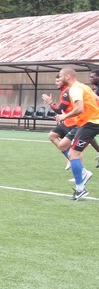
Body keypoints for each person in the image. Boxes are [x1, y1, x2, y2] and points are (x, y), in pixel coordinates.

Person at [54, 67, 99, 200]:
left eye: (60, 76)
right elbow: (96, 100)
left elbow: (79, 109)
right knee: (63, 145)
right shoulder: (84, 87)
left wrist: (64, 116)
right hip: (83, 122)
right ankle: (83, 173)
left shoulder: (74, 89)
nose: (59, 79)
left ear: (67, 76)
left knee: (73, 154)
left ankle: (80, 189)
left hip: (90, 123)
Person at [42, 74, 94, 182]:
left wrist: (50, 102)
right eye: (56, 81)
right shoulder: (66, 91)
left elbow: (59, 109)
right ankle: (76, 164)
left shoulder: (68, 90)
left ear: (66, 79)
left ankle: (81, 172)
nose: (57, 83)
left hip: (74, 122)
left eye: (59, 80)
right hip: (67, 122)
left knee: (75, 150)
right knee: (53, 136)